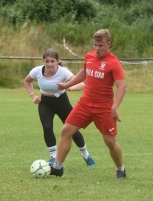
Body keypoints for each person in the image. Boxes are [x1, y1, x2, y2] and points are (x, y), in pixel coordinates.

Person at [52, 29, 126, 179]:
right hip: (85, 104)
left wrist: (114, 107)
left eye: (100, 45)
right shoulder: (89, 56)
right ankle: (57, 168)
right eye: (95, 45)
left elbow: (122, 87)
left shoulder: (113, 63)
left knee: (110, 142)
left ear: (109, 44)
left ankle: (120, 169)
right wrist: (67, 85)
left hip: (103, 107)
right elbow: (84, 73)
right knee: (66, 131)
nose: (97, 49)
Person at [24, 48, 95, 166]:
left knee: (72, 130)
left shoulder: (63, 72)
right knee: (47, 127)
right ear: (43, 61)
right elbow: (27, 81)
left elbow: (81, 84)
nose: (49, 64)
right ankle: (53, 157)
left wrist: (69, 87)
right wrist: (33, 96)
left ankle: (86, 155)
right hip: (45, 102)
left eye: (52, 61)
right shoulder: (37, 71)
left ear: (57, 61)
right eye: (47, 61)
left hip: (62, 102)